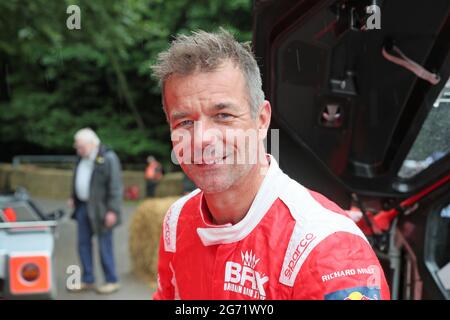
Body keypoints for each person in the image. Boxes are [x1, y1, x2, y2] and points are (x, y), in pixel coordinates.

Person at [151, 29, 390, 300]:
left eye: (223, 115)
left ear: (262, 120)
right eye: (184, 122)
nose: (203, 138)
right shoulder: (177, 219)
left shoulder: (327, 246)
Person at [69, 128, 122, 294]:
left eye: (81, 147)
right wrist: (74, 197)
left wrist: (112, 211)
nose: (78, 150)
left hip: (102, 209)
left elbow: (115, 186)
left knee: (104, 246)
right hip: (83, 207)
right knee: (83, 244)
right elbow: (77, 178)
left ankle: (111, 280)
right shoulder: (81, 158)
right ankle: (88, 280)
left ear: (92, 144)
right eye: (77, 147)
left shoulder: (108, 158)